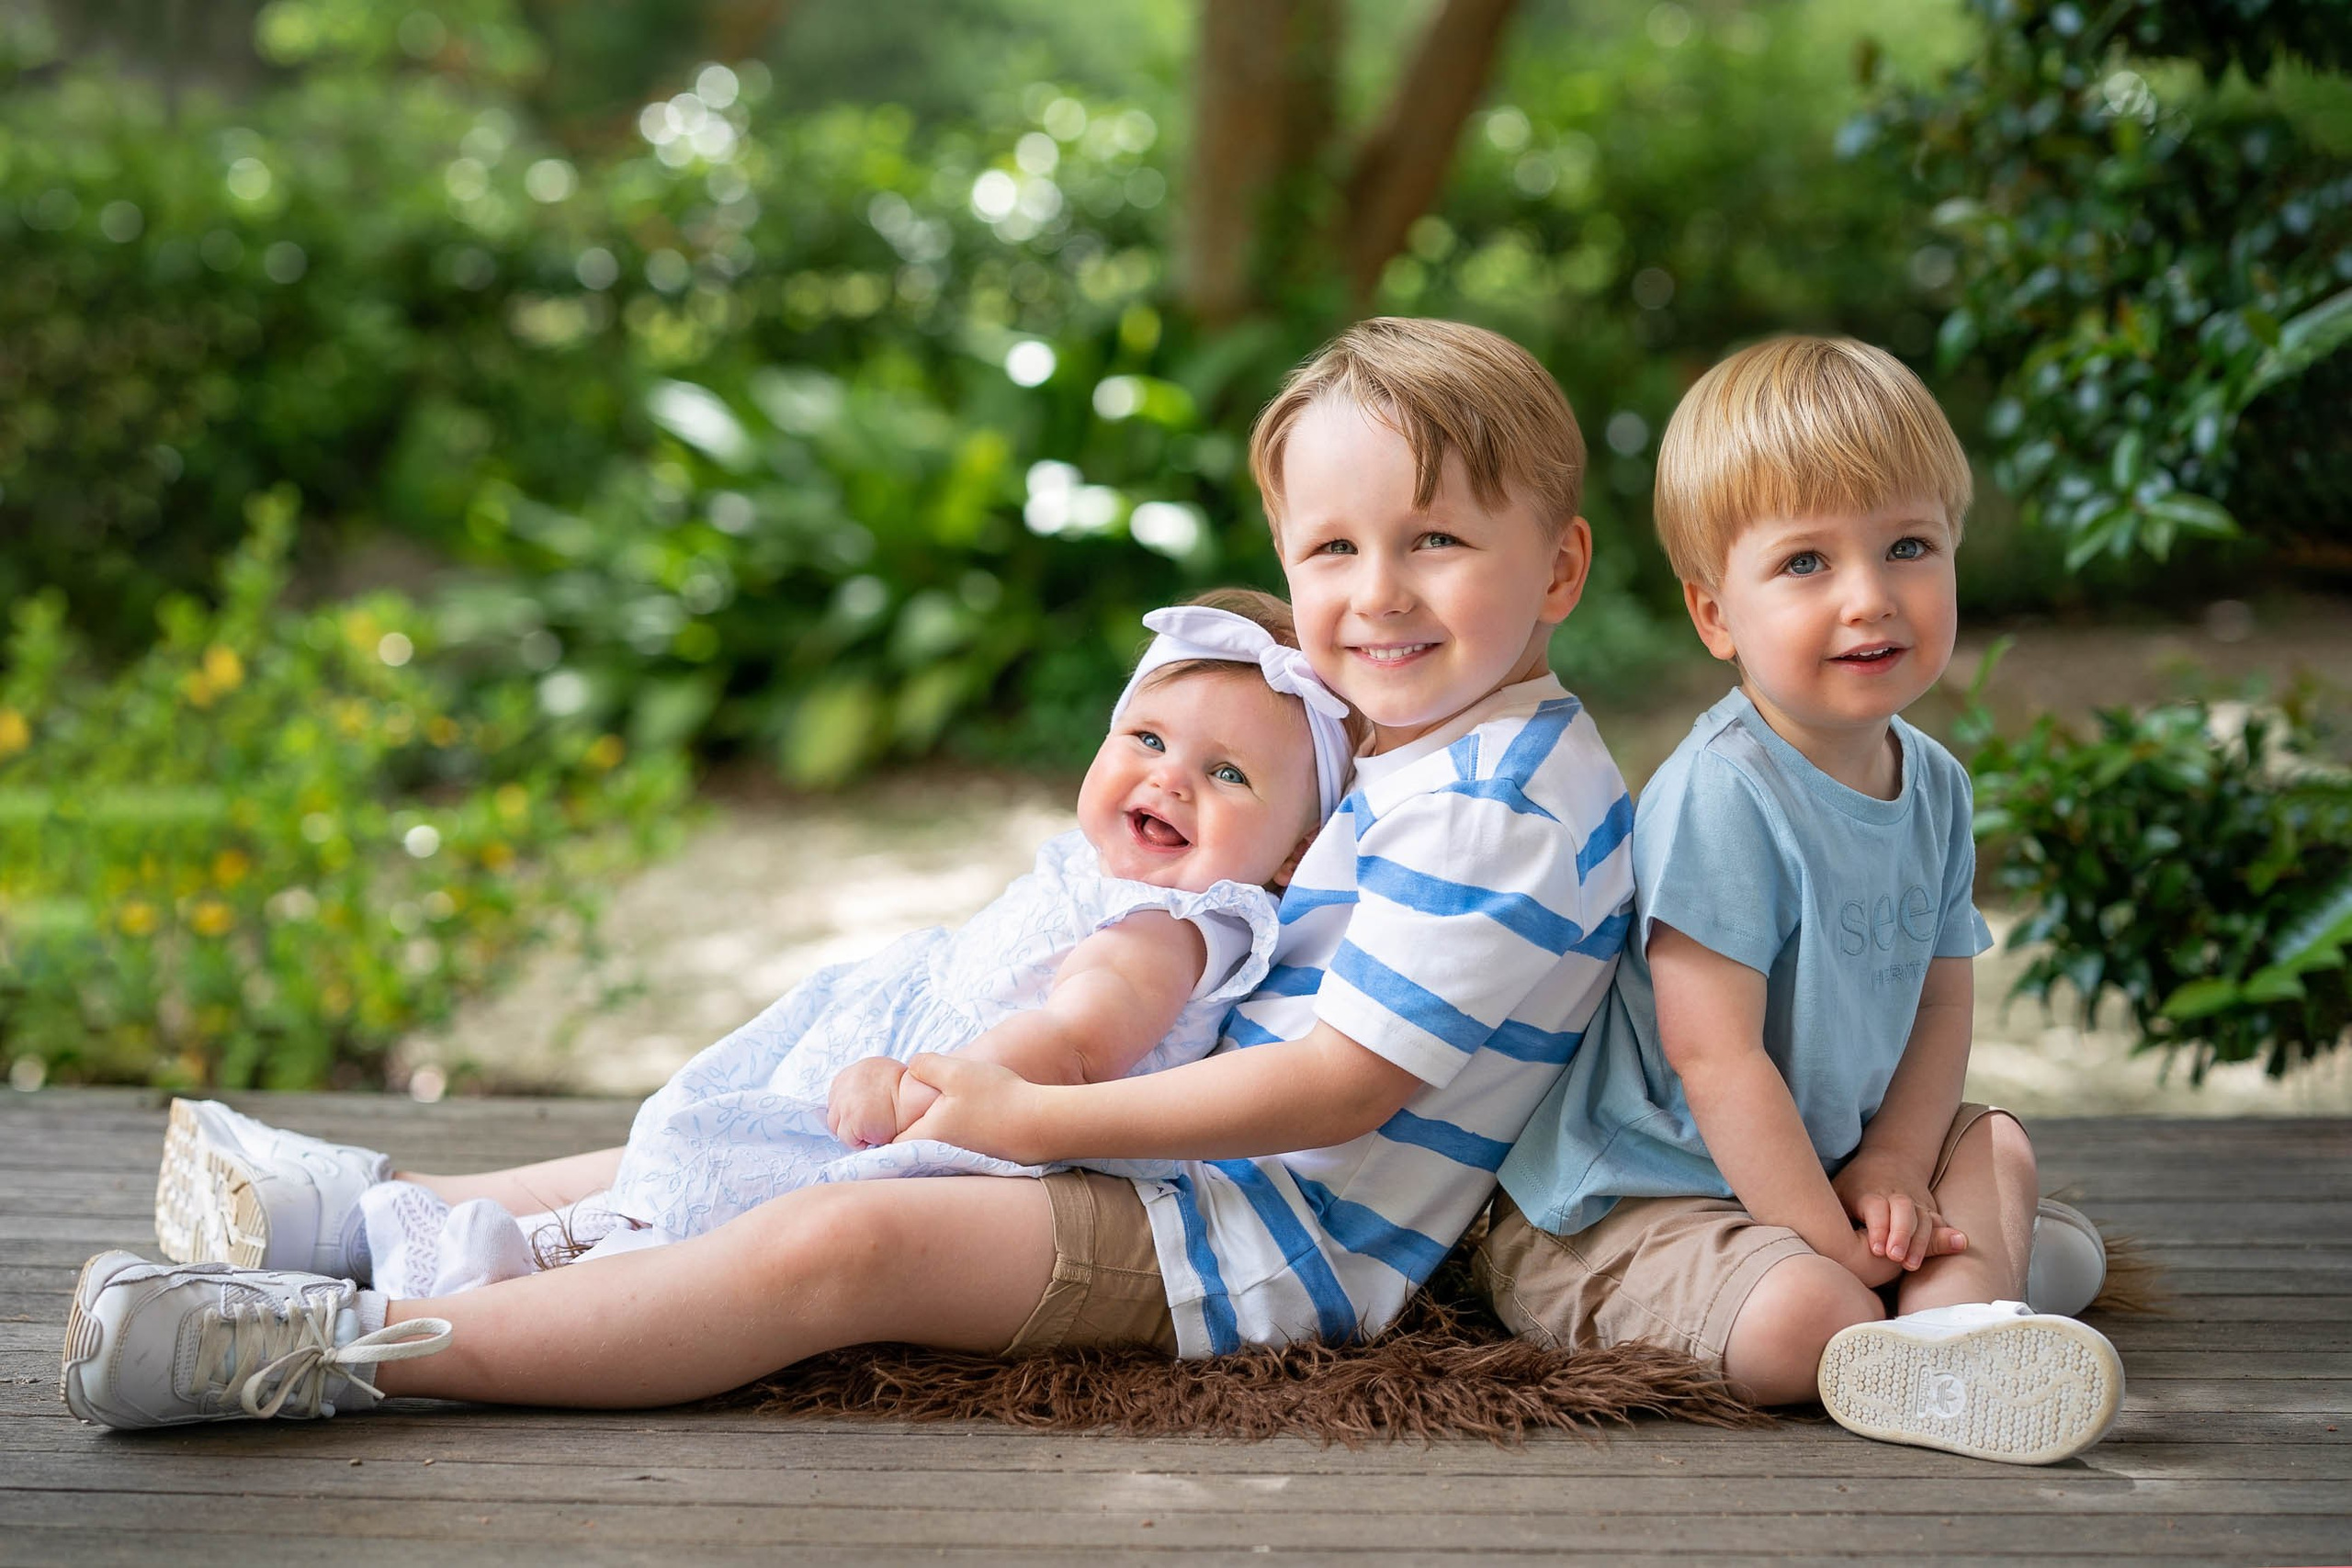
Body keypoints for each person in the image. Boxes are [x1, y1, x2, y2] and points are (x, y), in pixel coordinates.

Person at [62, 316, 1634, 1428]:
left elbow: (1339, 1089)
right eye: (1331, 553)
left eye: (1435, 541)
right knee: (786, 1112)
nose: (1373, 594)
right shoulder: (1417, 742)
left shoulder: (1499, 803)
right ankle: (371, 1206)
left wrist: (1036, 1110)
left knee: (844, 1241)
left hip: (1257, 1241)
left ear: (1557, 565)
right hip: (1172, 1153)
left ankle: (347, 1345)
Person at [154, 590, 1359, 1301]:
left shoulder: (1168, 925)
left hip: (951, 1120)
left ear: (1292, 848)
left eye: (1228, 772)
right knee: (691, 1138)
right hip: (894, 1063)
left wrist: (927, 1083)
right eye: (1146, 736)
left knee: (714, 1175)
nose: (1168, 778)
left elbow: (1076, 1036)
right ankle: (374, 1222)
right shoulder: (1114, 874)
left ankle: (483, 1265)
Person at [1480, 335, 2123, 1466]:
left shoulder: (1934, 784)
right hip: (1642, 1196)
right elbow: (1714, 1057)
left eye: (1907, 547)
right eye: (1805, 565)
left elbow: (1937, 1007)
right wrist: (1829, 1246)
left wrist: (1886, 1164)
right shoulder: (1719, 795)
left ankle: (1953, 1326)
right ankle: (1947, 1304)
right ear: (1715, 615)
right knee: (1800, 1321)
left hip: (1819, 1163)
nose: (1870, 598)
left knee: (1998, 1147)